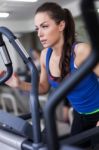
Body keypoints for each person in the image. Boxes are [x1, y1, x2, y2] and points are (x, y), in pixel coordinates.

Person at [1, 2, 99, 138]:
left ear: (61, 25)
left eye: (45, 26)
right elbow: (43, 87)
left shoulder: (81, 51)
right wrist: (19, 84)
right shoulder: (45, 55)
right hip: (79, 115)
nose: (40, 34)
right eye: (37, 29)